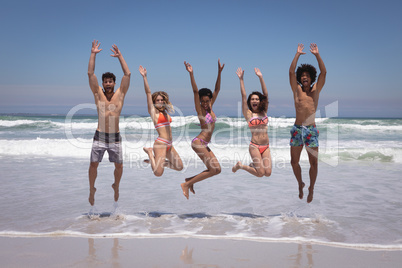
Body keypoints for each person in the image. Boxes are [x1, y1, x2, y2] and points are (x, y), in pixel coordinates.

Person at [87, 40, 131, 206]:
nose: (107, 84)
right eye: (105, 81)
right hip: (100, 135)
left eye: (110, 81)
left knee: (119, 166)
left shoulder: (120, 94)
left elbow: (127, 75)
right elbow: (91, 74)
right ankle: (92, 188)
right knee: (93, 165)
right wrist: (93, 53)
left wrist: (120, 57)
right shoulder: (98, 93)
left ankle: (116, 185)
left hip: (115, 136)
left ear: (114, 83)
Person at [181, 60, 225, 199]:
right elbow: (195, 91)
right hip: (198, 142)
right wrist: (191, 74)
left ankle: (190, 181)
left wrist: (219, 72)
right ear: (200, 101)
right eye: (203, 101)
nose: (205, 104)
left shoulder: (210, 108)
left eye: (207, 101)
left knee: (217, 170)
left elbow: (217, 89)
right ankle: (186, 185)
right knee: (213, 169)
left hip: (205, 144)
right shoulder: (201, 111)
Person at [289, 43, 327, 203]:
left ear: (311, 78)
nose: (304, 77)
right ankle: (300, 183)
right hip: (297, 129)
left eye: (307, 75)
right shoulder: (296, 89)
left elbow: (324, 72)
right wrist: (297, 54)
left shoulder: (316, 90)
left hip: (311, 130)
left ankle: (311, 187)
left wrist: (317, 55)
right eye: (302, 75)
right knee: (294, 162)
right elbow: (291, 72)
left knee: (314, 163)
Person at [139, 65, 183, 176]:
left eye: (162, 100)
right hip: (161, 144)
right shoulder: (154, 112)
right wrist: (145, 77)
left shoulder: (165, 112)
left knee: (179, 166)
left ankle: (158, 162)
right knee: (158, 173)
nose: (160, 102)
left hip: (169, 144)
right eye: (157, 100)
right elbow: (148, 93)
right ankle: (150, 153)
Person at [232, 67, 272, 177]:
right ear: (250, 102)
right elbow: (243, 96)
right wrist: (241, 80)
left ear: (260, 101)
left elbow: (266, 94)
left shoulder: (264, 111)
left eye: (257, 99)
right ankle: (241, 166)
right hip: (254, 146)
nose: (254, 101)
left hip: (266, 146)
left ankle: (253, 164)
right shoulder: (248, 114)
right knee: (260, 174)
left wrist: (260, 77)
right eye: (252, 99)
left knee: (267, 173)